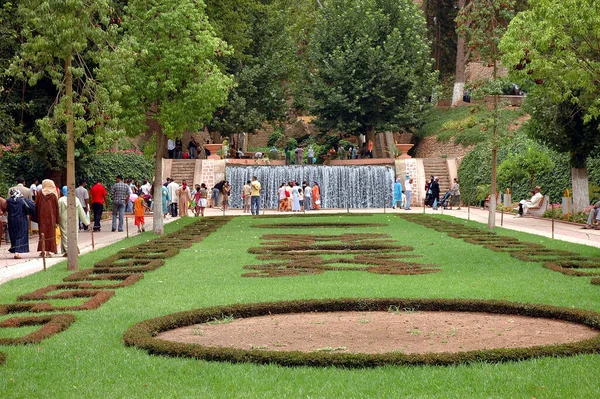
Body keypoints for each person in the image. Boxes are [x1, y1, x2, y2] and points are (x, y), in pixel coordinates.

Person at [3, 189, 35, 258]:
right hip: (22, 219)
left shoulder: (8, 201)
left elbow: (4, 208)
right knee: (21, 235)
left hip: (11, 220)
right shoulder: (22, 199)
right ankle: (17, 252)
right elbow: (32, 206)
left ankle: (15, 249)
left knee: (13, 235)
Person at [58, 186, 89, 256]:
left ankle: (68, 251)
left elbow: (58, 212)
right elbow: (81, 212)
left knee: (65, 235)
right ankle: (74, 248)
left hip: (64, 219)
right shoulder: (76, 200)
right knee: (74, 233)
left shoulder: (61, 200)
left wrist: (57, 221)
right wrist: (86, 222)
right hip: (74, 219)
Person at [36, 179, 59, 257]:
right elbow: (56, 208)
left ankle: (42, 250)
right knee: (50, 234)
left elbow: (36, 205)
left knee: (42, 233)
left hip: (41, 217)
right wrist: (57, 220)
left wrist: (35, 216)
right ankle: (48, 252)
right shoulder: (53, 195)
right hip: (51, 218)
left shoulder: (40, 194)